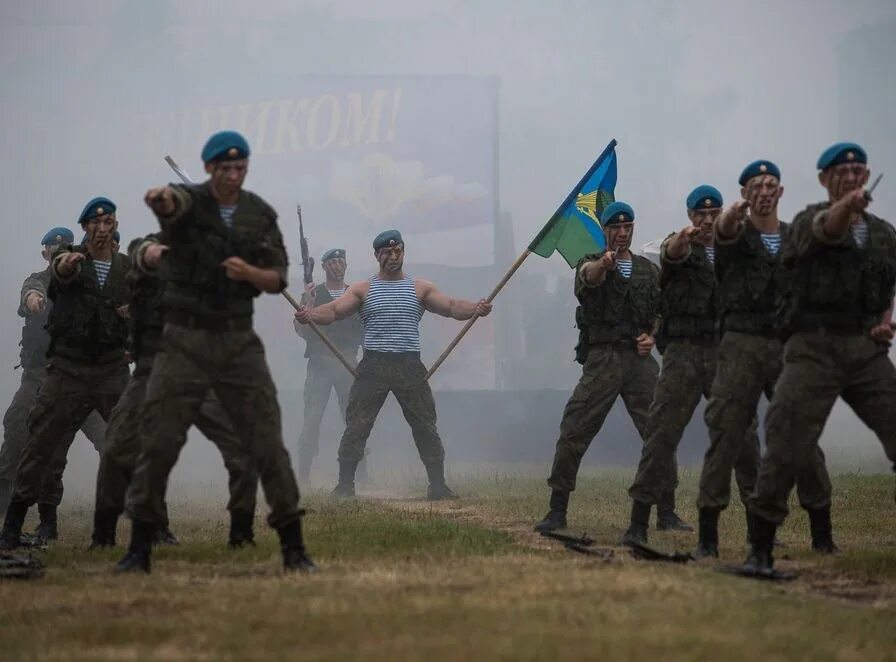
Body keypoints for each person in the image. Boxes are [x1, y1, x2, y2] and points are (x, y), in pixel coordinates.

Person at [119, 130, 316, 574]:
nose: (232, 175)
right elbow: (173, 206)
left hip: (236, 340)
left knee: (267, 441)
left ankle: (294, 548)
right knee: (160, 439)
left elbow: (278, 279)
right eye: (224, 168)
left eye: (239, 167)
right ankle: (139, 549)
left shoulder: (257, 214)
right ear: (209, 168)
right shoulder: (190, 203)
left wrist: (249, 271)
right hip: (184, 340)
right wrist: (161, 203)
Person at [746, 143, 896, 575]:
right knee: (787, 443)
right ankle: (760, 547)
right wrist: (846, 209)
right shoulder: (807, 221)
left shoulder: (883, 233)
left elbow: (886, 285)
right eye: (840, 171)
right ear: (824, 180)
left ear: (866, 175)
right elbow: (827, 231)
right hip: (812, 347)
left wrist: (883, 322)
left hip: (862, 349)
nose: (850, 177)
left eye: (856, 170)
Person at [696, 160, 833, 559]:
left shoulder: (795, 239)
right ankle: (709, 535)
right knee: (727, 432)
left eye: (771, 184)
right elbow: (722, 234)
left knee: (800, 433)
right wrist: (727, 219)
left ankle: (821, 529)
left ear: (781, 192)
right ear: (744, 194)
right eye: (756, 185)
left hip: (785, 343)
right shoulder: (734, 237)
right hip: (741, 343)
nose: (765, 190)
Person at [294, 229, 492, 499]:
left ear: (403, 251)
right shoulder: (363, 289)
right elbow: (335, 311)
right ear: (377, 255)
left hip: (409, 364)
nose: (393, 255)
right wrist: (310, 315)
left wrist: (475, 309)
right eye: (387, 251)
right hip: (374, 365)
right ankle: (344, 485)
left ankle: (437, 485)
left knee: (424, 424)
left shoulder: (420, 288)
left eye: (397, 250)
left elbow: (451, 306)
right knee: (357, 424)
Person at [91, 234, 259, 550]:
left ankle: (241, 534)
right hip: (150, 373)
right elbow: (141, 254)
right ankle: (104, 536)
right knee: (116, 447)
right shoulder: (149, 251)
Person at [621, 187, 760, 545]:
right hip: (683, 353)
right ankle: (638, 523)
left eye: (714, 213)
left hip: (725, 352)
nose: (708, 220)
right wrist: (684, 239)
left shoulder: (737, 251)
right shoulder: (674, 246)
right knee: (661, 433)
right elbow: (670, 252)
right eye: (701, 214)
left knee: (744, 435)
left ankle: (760, 526)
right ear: (689, 215)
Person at [0, 199, 131, 549]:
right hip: (43, 375)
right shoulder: (41, 279)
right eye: (50, 254)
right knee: (24, 435)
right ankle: (31, 517)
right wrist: (34, 300)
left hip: (90, 377)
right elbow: (33, 292)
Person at [534, 202, 665, 532]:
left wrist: (652, 336)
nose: (622, 234)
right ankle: (557, 508)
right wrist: (604, 265)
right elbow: (587, 279)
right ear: (605, 231)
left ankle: (666, 510)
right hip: (603, 358)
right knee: (575, 428)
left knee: (660, 431)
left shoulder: (648, 272)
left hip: (639, 361)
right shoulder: (590, 262)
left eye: (627, 227)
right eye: (615, 228)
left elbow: (662, 310)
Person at [292, 248, 363, 483]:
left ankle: (359, 474)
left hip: (348, 363)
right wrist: (309, 301)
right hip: (320, 364)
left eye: (341, 260)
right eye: (332, 261)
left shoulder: (355, 295)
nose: (338, 265)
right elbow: (302, 330)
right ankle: (304, 477)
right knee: (312, 418)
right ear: (324, 266)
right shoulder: (314, 294)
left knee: (354, 419)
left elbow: (366, 329)